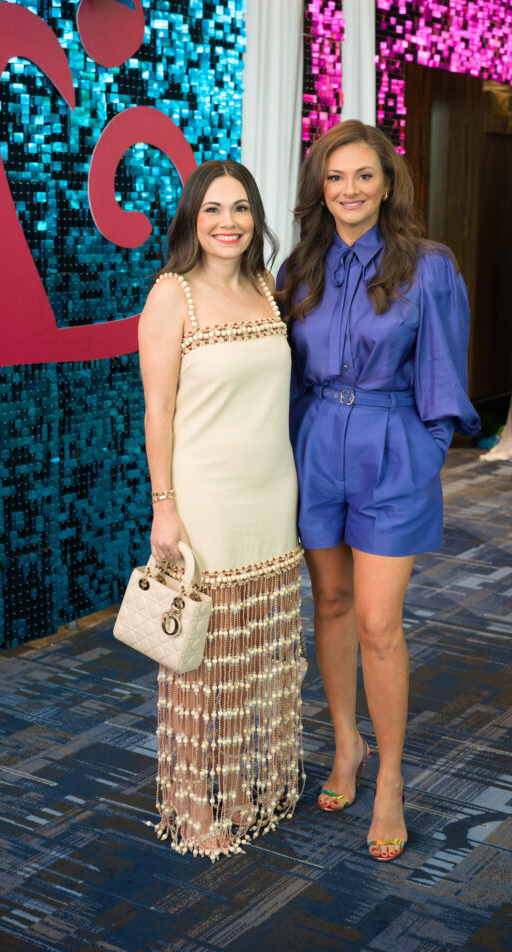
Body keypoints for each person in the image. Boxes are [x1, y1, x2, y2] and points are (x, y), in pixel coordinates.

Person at [277, 120, 480, 862]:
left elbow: (445, 375)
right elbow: (288, 377)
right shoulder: (299, 267)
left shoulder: (429, 267)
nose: (350, 190)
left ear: (387, 183)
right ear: (319, 188)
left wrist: (424, 455)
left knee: (374, 620)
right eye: (336, 177)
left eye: (364, 175)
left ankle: (391, 776)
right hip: (316, 449)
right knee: (327, 604)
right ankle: (346, 744)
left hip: (393, 448)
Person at [138, 160, 304, 861]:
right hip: (205, 496)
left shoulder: (270, 290)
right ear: (191, 220)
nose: (228, 222)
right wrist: (164, 507)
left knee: (258, 658)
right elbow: (159, 410)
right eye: (212, 210)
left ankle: (242, 792)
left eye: (240, 209)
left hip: (273, 491)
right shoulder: (172, 294)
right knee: (200, 660)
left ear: (255, 218)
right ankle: (189, 806)